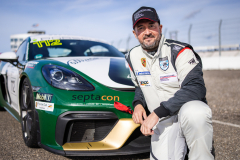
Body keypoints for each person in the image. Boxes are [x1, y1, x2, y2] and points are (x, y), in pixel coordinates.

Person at [125, 6, 214, 160]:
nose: (147, 32)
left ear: (160, 28)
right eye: (141, 28)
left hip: (184, 114)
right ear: (135, 33)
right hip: (164, 122)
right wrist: (138, 104)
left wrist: (157, 113)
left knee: (196, 112)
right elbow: (140, 85)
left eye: (151, 26)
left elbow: (196, 88)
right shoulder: (132, 56)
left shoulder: (180, 51)